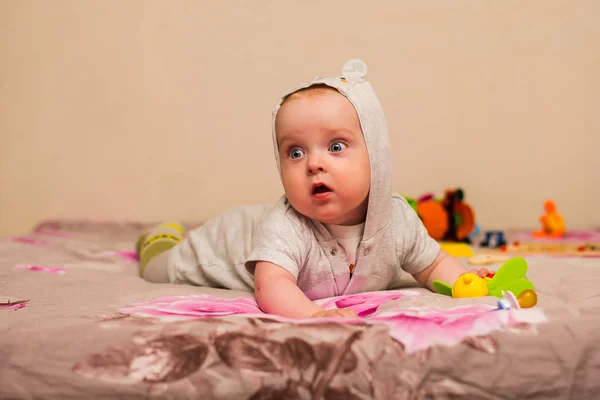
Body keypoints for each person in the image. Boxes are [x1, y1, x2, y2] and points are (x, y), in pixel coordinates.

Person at [136, 59, 487, 319]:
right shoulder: (287, 226)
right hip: (227, 242)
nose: (313, 164)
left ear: (375, 155)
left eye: (336, 147)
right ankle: (161, 237)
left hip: (256, 226)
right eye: (296, 152)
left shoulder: (398, 220)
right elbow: (270, 286)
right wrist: (314, 317)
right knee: (157, 266)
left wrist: (465, 282)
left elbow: (432, 264)